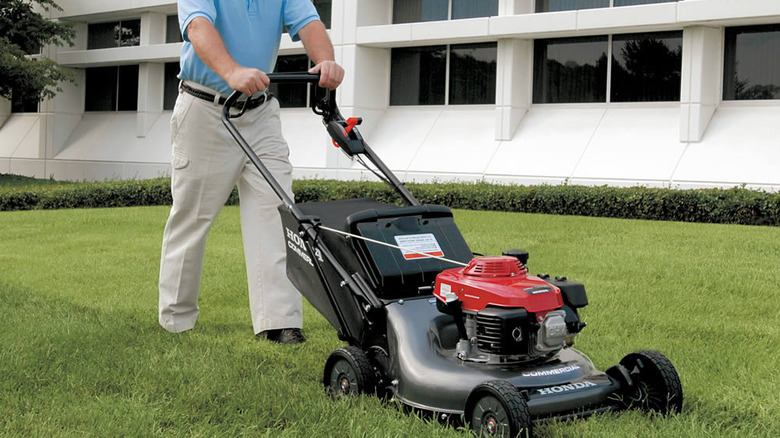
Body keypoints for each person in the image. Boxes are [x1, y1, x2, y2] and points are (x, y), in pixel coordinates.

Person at [158, 0, 344, 344]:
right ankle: (176, 318)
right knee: (193, 216)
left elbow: (310, 24)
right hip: (205, 108)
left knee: (276, 213)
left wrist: (325, 62)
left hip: (260, 113)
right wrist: (231, 72)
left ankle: (279, 322)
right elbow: (198, 26)